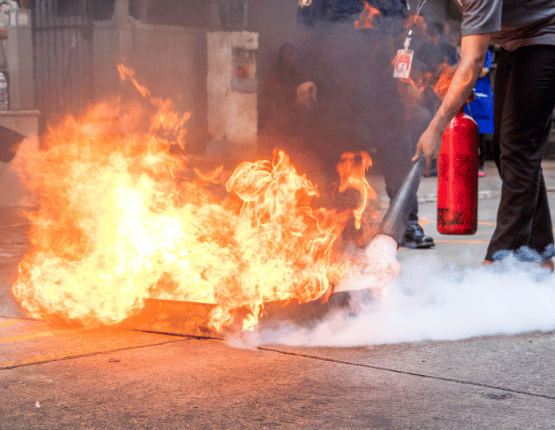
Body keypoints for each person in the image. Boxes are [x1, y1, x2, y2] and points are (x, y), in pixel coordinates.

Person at [413, 1, 555, 269]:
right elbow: (471, 51)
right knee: (507, 153)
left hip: (546, 38)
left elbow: (474, 59)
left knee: (519, 148)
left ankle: (501, 258)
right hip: (515, 43)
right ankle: (540, 250)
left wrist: (435, 128)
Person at [296, 0, 435, 249]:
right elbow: (308, 31)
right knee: (341, 154)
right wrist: (306, 76)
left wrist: (407, 79)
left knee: (399, 153)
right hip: (338, 84)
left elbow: (406, 33)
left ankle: (406, 221)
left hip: (384, 85)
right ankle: (344, 222)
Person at [464, 47, 494, 176]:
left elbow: (483, 72)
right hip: (469, 94)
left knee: (480, 135)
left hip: (481, 97)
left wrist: (470, 69)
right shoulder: (467, 51)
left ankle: (479, 166)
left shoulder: (486, 53)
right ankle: (466, 164)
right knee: (466, 134)